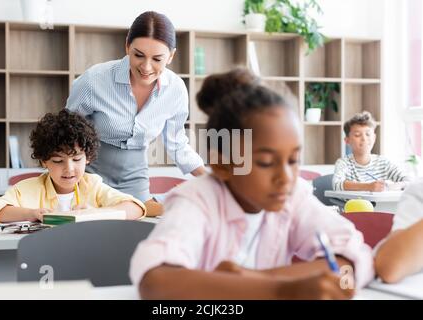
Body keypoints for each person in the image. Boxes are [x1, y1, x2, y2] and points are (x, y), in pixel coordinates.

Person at [129, 68, 374, 299]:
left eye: (293, 160)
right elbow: (156, 281)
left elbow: (354, 260)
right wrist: (282, 292)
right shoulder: (197, 199)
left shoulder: (293, 196)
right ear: (223, 165)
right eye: (266, 163)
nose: (286, 177)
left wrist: (258, 280)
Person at [66, 11, 205, 216]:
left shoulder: (175, 90)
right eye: (138, 55)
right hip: (89, 172)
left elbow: (177, 143)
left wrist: (210, 180)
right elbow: (66, 131)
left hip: (135, 175)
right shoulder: (95, 80)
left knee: (140, 229)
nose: (146, 67)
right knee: (92, 228)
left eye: (157, 59)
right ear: (127, 47)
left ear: (171, 56)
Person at [0, 110, 146, 223]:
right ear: (44, 161)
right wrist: (32, 214)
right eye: (58, 161)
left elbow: (136, 208)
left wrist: (95, 213)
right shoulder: (27, 189)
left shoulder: (93, 186)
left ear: (87, 157)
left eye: (77, 159)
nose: (69, 169)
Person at [333, 111, 410, 192]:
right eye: (357, 135)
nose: (364, 139)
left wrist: (392, 186)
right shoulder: (343, 163)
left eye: (368, 134)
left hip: (382, 204)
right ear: (347, 140)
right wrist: (368, 186)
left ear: (374, 137)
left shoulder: (383, 162)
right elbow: (337, 184)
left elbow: (408, 180)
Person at [375, 178, 423, 283]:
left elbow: (404, 178)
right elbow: (390, 266)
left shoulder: (386, 165)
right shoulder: (418, 191)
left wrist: (397, 184)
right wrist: (366, 186)